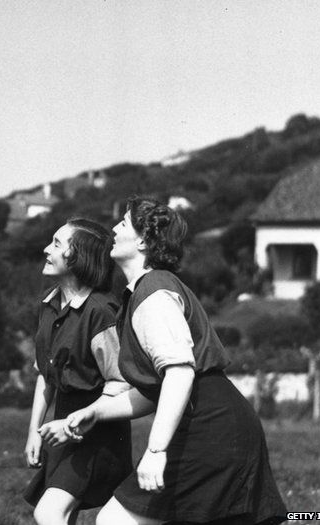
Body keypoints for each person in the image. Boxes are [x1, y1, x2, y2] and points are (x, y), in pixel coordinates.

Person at [43, 196, 287, 525]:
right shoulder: (143, 292)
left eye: (124, 224)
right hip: (214, 424)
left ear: (143, 241)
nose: (114, 229)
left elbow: (180, 373)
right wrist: (95, 412)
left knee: (114, 521)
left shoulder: (154, 292)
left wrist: (155, 451)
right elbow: (152, 390)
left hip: (209, 427)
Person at [22, 219, 132, 525]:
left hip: (98, 431)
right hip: (62, 425)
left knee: (49, 513)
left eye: (57, 244)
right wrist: (34, 431)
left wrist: (82, 420)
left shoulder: (100, 312)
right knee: (61, 514)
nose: (46, 249)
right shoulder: (48, 304)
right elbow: (45, 374)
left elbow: (121, 381)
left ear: (79, 257)